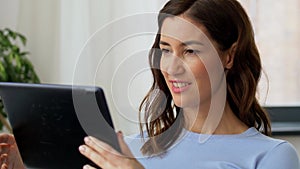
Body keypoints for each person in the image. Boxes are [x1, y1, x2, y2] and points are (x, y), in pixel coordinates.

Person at [0, 0, 299, 168]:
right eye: (166, 49)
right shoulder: (127, 149)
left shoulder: (271, 157)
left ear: (229, 56)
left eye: (190, 51)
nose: (170, 67)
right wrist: (24, 167)